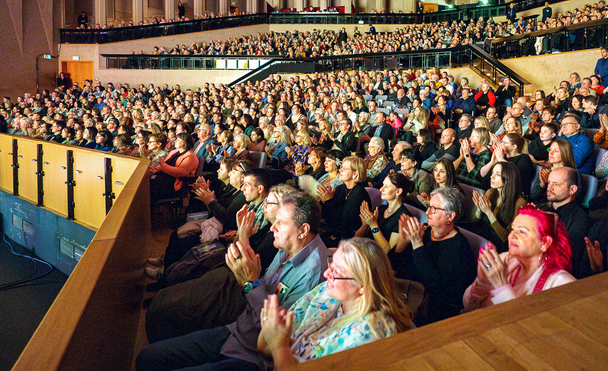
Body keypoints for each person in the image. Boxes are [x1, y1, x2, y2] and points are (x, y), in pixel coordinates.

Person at [136, 191, 331, 370]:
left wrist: (251, 283)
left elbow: (274, 330)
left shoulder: (312, 272)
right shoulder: (291, 242)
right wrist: (243, 238)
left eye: (281, 222)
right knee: (147, 357)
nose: (273, 227)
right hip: (237, 331)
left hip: (252, 356)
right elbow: (259, 286)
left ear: (303, 230)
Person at [255, 237, 411, 369]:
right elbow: (267, 349)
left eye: (337, 272)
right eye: (331, 265)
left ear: (363, 286)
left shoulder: (368, 333)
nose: (326, 274)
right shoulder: (327, 292)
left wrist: (279, 346)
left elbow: (279, 349)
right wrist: (270, 330)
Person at [389, 186, 476, 325]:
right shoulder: (425, 232)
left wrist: (417, 244)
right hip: (406, 295)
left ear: (450, 216)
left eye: (434, 209)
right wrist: (403, 243)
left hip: (434, 313)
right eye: (429, 206)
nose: (427, 211)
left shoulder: (459, 247)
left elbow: (436, 288)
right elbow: (396, 268)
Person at [462, 205, 575, 311]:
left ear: (544, 242)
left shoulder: (561, 283)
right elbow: (468, 306)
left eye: (522, 231)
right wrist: (482, 283)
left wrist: (501, 286)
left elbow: (528, 327)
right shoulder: (505, 259)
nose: (511, 235)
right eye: (512, 229)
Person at [542, 167, 591, 271]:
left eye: (556, 184)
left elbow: (566, 257)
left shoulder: (580, 219)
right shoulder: (541, 208)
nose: (549, 187)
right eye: (549, 182)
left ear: (572, 189)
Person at [472, 162, 526, 250]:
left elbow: (506, 238)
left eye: (497, 174)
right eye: (492, 173)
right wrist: (479, 210)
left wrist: (489, 213)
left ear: (508, 178)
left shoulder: (519, 202)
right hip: (482, 237)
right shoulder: (491, 192)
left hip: (498, 246)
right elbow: (475, 222)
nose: (491, 176)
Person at [318, 156, 371, 246]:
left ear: (355, 174)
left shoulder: (359, 194)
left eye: (345, 168)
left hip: (351, 239)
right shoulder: (341, 188)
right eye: (341, 167)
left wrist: (329, 201)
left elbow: (342, 223)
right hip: (337, 231)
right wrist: (323, 201)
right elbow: (327, 216)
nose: (340, 170)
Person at [356, 173, 413, 252]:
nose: (381, 189)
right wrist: (365, 225)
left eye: (386, 186)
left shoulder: (404, 218)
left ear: (398, 191)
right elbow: (356, 238)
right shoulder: (381, 208)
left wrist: (373, 226)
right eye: (383, 185)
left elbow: (388, 253)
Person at [149, 132, 198, 202]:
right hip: (165, 180)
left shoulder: (190, 157)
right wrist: (156, 169)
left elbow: (179, 172)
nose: (175, 141)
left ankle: (149, 212)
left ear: (185, 143)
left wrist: (163, 166)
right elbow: (164, 165)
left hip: (176, 185)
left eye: (178, 139)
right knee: (147, 186)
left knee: (150, 190)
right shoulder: (174, 152)